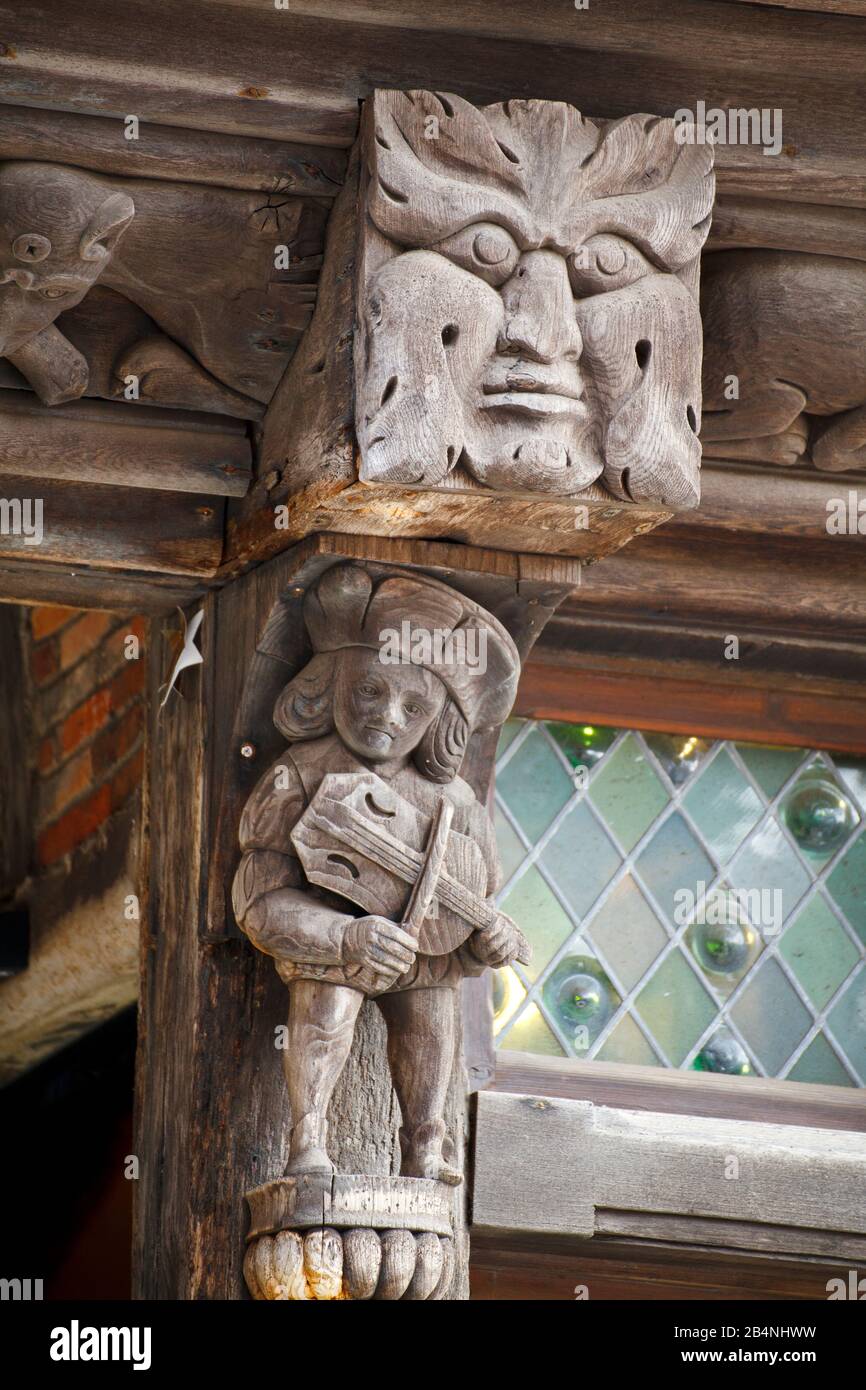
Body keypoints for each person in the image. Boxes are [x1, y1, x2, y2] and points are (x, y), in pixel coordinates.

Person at [232, 562, 525, 1185]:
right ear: (331, 678)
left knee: (431, 1005)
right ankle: (308, 1139)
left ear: (441, 720)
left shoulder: (457, 804)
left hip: (419, 958)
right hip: (333, 947)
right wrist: (344, 937)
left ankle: (426, 1143)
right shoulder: (302, 772)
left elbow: (468, 905)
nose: (387, 716)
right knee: (329, 1000)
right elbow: (258, 899)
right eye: (369, 689)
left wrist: (485, 939)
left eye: (413, 704)